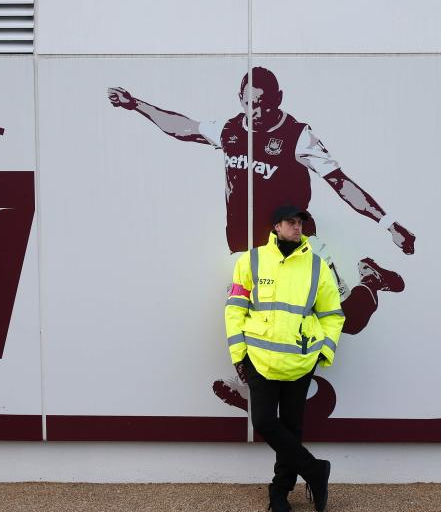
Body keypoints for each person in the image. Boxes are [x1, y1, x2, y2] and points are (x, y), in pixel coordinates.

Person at [107, 66, 415, 341]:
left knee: (347, 324)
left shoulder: (297, 136)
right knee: (248, 319)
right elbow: (183, 127)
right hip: (248, 250)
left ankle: (371, 280)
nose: (254, 110)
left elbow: (341, 182)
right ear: (239, 98)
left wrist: (388, 223)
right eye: (248, 102)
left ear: (277, 99)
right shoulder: (229, 130)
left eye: (262, 103)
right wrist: (135, 105)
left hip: (297, 248)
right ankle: (255, 390)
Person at [225, 205, 344, 512]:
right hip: (260, 361)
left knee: (291, 429)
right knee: (264, 422)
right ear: (276, 226)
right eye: (290, 222)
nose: (297, 227)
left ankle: (280, 493)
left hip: (300, 362)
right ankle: (316, 470)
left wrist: (323, 352)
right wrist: (240, 355)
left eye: (300, 222)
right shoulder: (250, 260)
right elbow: (234, 309)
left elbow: (333, 315)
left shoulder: (317, 266)